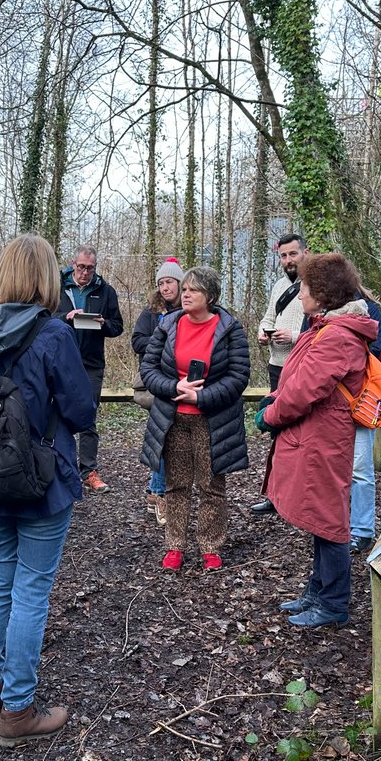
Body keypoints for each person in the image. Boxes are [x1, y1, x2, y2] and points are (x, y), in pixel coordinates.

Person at [0, 234, 97, 747]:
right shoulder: (52, 335)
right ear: (45, 278)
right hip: (42, 478)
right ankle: (17, 710)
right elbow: (82, 412)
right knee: (32, 588)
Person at [257, 253, 378, 627]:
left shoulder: (337, 337)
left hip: (325, 442)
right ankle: (319, 588)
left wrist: (271, 414)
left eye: (305, 287)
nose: (300, 294)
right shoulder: (325, 328)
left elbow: (302, 391)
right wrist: (275, 401)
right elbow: (295, 383)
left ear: (322, 292)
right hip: (316, 438)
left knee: (330, 522)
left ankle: (334, 603)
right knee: (320, 520)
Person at [140, 266, 250, 571]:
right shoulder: (168, 325)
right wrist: (175, 387)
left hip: (212, 421)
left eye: (193, 290)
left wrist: (200, 397)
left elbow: (239, 376)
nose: (185, 294)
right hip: (173, 419)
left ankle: (210, 547)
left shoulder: (230, 329)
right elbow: (148, 370)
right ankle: (174, 546)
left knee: (211, 486)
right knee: (175, 485)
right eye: (184, 289)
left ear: (210, 296)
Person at [56, 244, 124, 493]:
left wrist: (103, 323)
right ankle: (59, 469)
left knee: (88, 416)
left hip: (92, 363)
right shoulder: (56, 287)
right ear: (73, 265)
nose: (85, 272)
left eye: (90, 268)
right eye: (81, 267)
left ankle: (88, 471)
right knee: (56, 414)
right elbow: (43, 316)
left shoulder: (105, 291)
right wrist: (66, 318)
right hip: (61, 361)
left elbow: (118, 327)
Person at [250, 233, 310, 515]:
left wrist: (295, 337)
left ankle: (300, 495)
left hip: (304, 366)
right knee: (277, 429)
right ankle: (275, 494)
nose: (288, 260)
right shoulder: (278, 286)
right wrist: (263, 332)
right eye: (283, 255)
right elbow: (268, 318)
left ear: (305, 253)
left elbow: (323, 330)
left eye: (293, 254)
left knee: (303, 433)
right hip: (277, 365)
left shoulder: (315, 284)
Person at [131, 257, 185, 525]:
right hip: (157, 384)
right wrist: (162, 339)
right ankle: (161, 493)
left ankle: (155, 492)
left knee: (166, 438)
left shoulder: (190, 308)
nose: (165, 288)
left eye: (170, 282)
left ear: (180, 283)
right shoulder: (151, 312)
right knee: (165, 437)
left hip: (181, 382)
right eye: (161, 283)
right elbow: (136, 340)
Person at [350, 287, 381, 554]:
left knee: (360, 468)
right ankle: (338, 525)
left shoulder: (370, 309)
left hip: (362, 396)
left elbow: (374, 349)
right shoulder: (318, 310)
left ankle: (362, 529)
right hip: (329, 402)